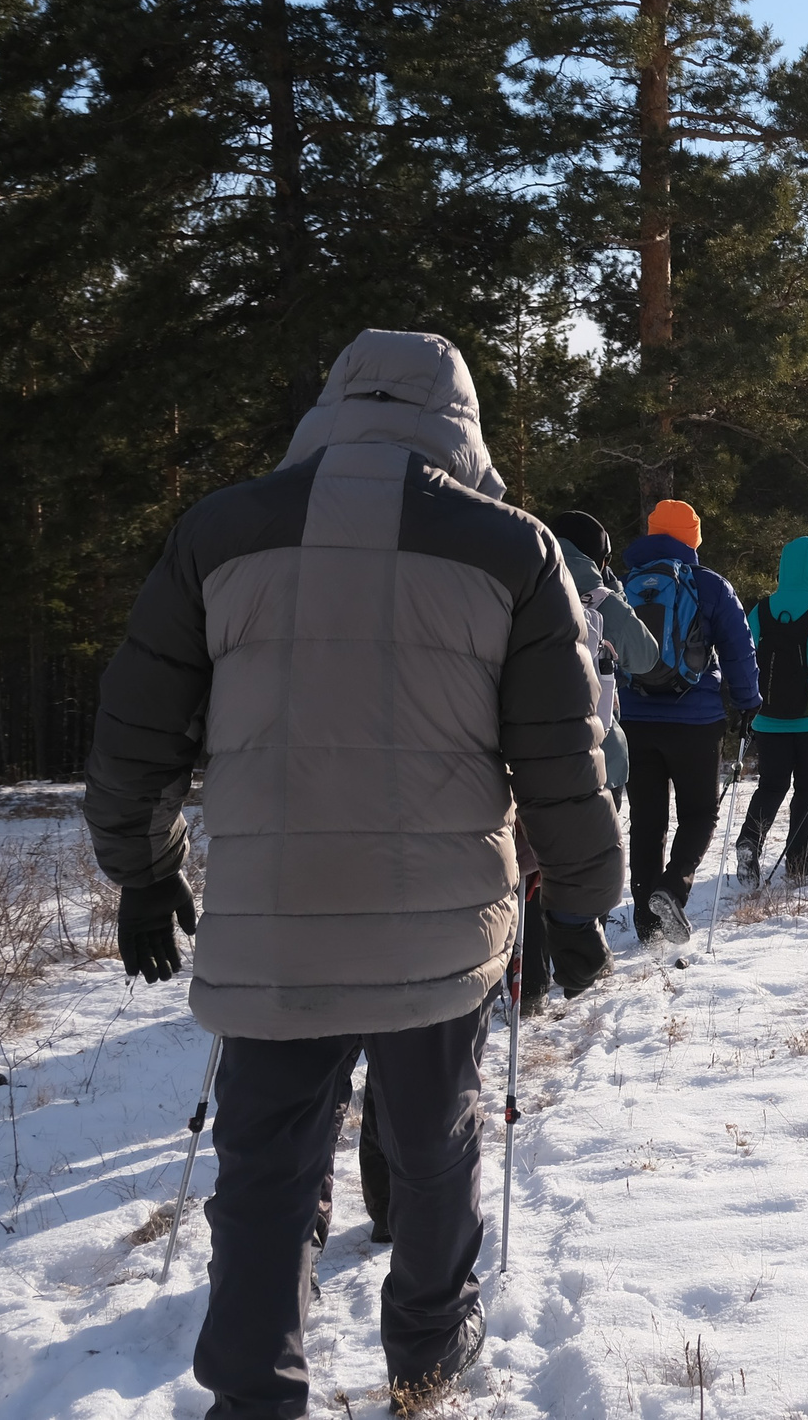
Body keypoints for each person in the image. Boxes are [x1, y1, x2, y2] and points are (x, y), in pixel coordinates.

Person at [81, 329, 619, 1417]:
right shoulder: (513, 551)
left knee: (264, 1170)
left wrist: (142, 870)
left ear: (329, 403)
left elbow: (137, 729)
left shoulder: (219, 532)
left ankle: (252, 1389)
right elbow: (560, 753)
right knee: (432, 1146)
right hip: (443, 928)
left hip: (273, 926)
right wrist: (580, 897)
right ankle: (425, 1349)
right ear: (459, 421)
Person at [617, 500, 760, 947]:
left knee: (647, 818)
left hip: (635, 718)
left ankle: (646, 918)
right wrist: (747, 702)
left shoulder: (623, 585)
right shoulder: (710, 586)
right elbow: (739, 648)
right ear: (693, 538)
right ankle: (672, 887)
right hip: (695, 720)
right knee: (699, 812)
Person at [533, 511, 657, 1015]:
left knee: (528, 867)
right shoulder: (598, 592)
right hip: (599, 753)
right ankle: (584, 956)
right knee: (584, 860)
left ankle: (530, 979)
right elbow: (646, 656)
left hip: (524, 752)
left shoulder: (522, 573)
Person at [730, 537, 808, 883]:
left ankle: (749, 841)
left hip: (768, 718)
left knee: (771, 786)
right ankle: (800, 861)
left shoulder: (761, 610)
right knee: (807, 789)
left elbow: (745, 659)